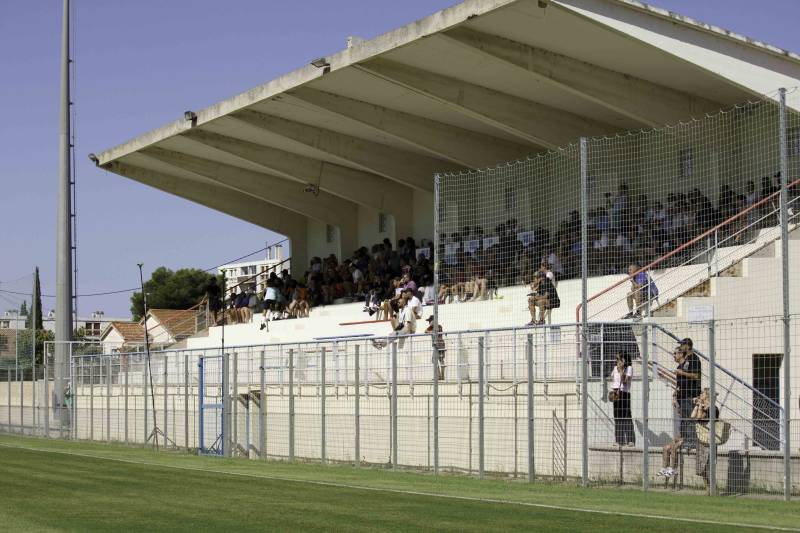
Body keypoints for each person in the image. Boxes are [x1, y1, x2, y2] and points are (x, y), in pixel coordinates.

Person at [674, 338, 701, 449]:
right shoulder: (686, 359)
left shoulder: (694, 359)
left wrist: (682, 373)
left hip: (690, 395)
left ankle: (692, 442)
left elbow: (696, 376)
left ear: (688, 346)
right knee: (684, 420)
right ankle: (685, 441)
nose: (680, 347)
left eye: (682, 345)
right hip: (683, 396)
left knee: (690, 419)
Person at [610, 353, 635, 446]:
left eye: (619, 359)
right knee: (617, 417)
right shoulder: (614, 369)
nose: (617, 361)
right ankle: (619, 440)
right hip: (617, 393)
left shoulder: (629, 368)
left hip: (625, 394)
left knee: (626, 416)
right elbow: (612, 379)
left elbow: (625, 381)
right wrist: (614, 390)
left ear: (624, 360)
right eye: (616, 359)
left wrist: (621, 370)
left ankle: (630, 440)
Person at [425, 315, 446, 380]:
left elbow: (435, 332)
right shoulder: (432, 327)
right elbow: (425, 331)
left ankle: (441, 376)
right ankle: (440, 376)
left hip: (439, 345)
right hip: (438, 345)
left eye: (430, 321)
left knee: (438, 360)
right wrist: (430, 329)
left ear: (433, 320)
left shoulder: (438, 326)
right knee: (437, 360)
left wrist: (430, 331)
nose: (429, 322)